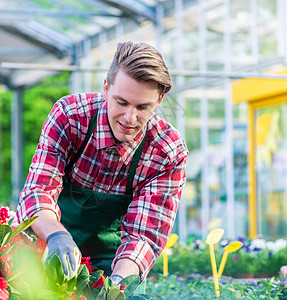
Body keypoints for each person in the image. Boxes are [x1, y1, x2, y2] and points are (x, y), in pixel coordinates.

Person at [16, 41, 188, 287]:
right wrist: (56, 235)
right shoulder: (70, 117)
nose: (130, 118)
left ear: (159, 101)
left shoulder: (167, 151)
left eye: (143, 107)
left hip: (113, 264)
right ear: (106, 88)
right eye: (121, 102)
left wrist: (116, 286)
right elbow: (38, 191)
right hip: (46, 250)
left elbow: (144, 236)